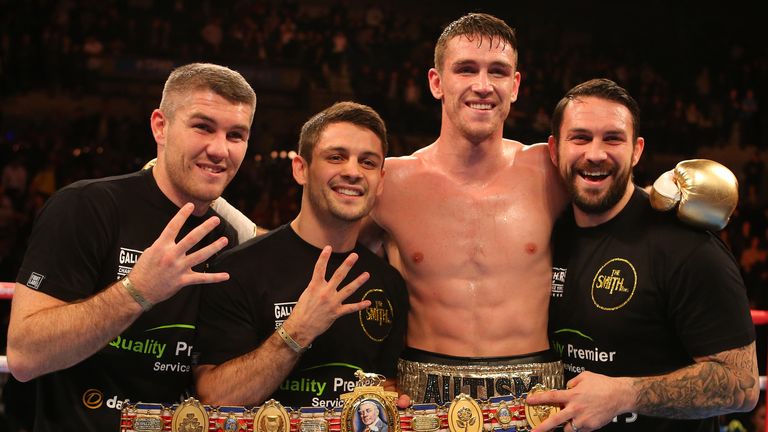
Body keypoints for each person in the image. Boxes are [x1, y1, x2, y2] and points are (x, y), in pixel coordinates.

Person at [6, 62, 257, 432]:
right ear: (161, 126)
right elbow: (25, 356)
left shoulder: (231, 239)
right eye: (203, 127)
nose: (220, 149)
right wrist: (137, 291)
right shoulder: (88, 207)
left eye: (236, 135)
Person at [525, 78, 759, 431]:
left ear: (636, 150)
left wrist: (624, 394)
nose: (595, 153)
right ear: (555, 149)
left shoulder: (686, 247)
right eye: (581, 137)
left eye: (613, 138)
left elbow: (741, 386)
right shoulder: (547, 233)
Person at [366, 12, 568, 403]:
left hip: (533, 400)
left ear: (515, 85)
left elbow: (622, 208)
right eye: (466, 69)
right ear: (436, 82)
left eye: (497, 71)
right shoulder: (390, 183)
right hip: (423, 397)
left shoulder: (550, 170)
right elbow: (310, 244)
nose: (482, 86)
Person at [194, 101, 408, 408]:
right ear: (301, 169)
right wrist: (297, 332)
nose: (353, 172)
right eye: (336, 157)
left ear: (381, 180)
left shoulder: (388, 282)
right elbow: (215, 398)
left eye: (368, 162)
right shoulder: (237, 269)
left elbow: (386, 387)